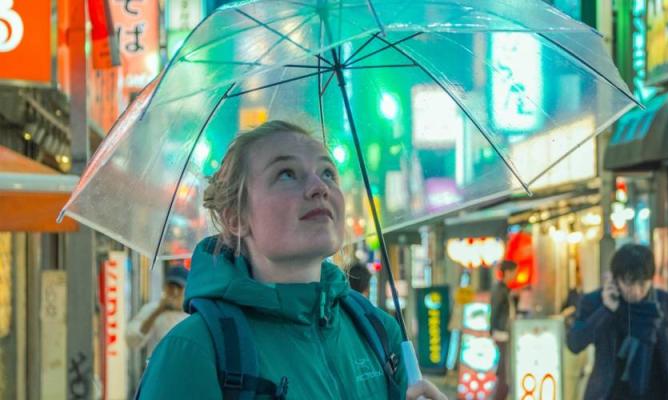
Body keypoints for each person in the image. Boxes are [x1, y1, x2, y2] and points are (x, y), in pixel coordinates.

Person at [135, 121, 445, 400]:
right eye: (286, 174)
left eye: (327, 173)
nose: (319, 188)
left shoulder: (378, 332)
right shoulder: (194, 351)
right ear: (236, 218)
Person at [567, 244, 668, 399]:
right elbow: (574, 343)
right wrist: (606, 310)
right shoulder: (596, 301)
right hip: (611, 394)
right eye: (629, 283)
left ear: (651, 279)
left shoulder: (663, 301)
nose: (636, 291)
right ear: (615, 279)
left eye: (642, 284)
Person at [126, 265, 189, 357]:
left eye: (179, 287)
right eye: (171, 286)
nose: (175, 292)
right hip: (157, 367)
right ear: (165, 287)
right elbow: (131, 340)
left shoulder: (190, 314)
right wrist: (157, 312)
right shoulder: (152, 308)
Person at [489, 260, 517, 400]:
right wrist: (492, 330)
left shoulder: (505, 289)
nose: (515, 275)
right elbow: (494, 311)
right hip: (501, 333)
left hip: (502, 332)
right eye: (514, 272)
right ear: (507, 272)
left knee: (503, 369)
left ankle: (501, 395)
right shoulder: (500, 289)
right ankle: (500, 396)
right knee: (504, 370)